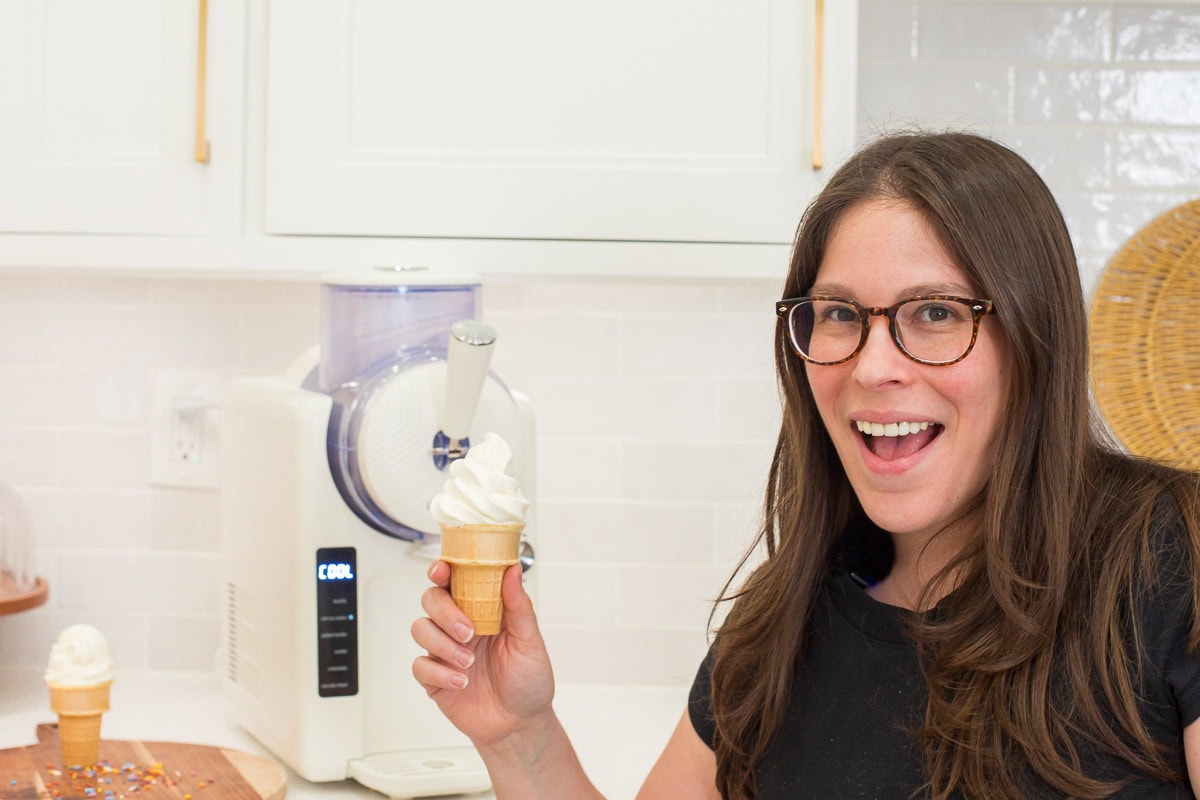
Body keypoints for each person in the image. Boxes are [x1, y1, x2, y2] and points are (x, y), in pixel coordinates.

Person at [410, 131, 1200, 799]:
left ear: (1034, 336)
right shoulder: (779, 624)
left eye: (935, 312)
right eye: (841, 314)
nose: (873, 366)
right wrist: (518, 736)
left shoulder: (1174, 559)